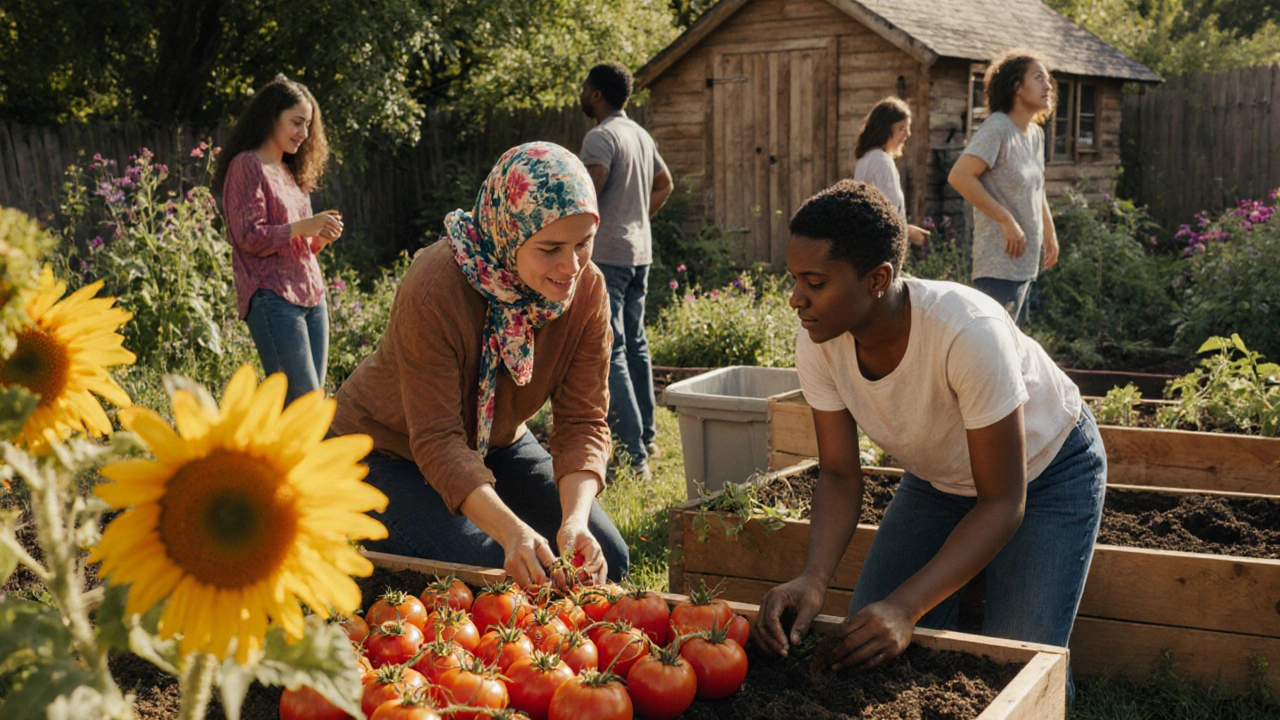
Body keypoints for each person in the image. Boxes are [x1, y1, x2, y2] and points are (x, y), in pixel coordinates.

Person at [756, 180, 1105, 701]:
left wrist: (906, 608)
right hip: (940, 479)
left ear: (878, 279)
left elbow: (1004, 502)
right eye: (794, 280)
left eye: (814, 282)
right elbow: (838, 473)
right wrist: (814, 578)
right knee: (862, 651)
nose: (796, 299)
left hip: (1047, 472)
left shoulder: (967, 333)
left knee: (1013, 677)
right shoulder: (819, 339)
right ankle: (967, 594)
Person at [330, 142, 629, 587]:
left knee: (609, 560)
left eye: (583, 244)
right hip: (384, 450)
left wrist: (575, 521)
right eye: (550, 248)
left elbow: (583, 421)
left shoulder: (586, 292)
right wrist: (511, 533)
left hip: (494, 443)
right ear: (508, 235)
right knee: (493, 569)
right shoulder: (436, 285)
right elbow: (436, 440)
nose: (571, 266)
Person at [213, 74, 343, 404]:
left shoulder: (289, 172)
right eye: (296, 122)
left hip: (312, 296)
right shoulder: (247, 166)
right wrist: (305, 226)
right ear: (271, 117)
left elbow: (300, 247)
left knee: (310, 409)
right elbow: (249, 236)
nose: (303, 133)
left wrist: (320, 238)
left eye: (308, 126)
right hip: (273, 299)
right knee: (304, 406)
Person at [579, 61, 673, 478]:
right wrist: (639, 220)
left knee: (612, 349)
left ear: (597, 94)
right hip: (640, 255)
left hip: (610, 257)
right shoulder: (640, 134)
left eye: (585, 88)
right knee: (635, 345)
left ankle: (633, 458)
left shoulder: (600, 137)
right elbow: (664, 183)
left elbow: (583, 200)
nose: (582, 94)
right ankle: (648, 438)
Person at [947, 50, 1059, 327]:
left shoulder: (1035, 134)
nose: (1048, 86)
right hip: (998, 264)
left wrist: (1050, 232)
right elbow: (960, 177)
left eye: (1048, 80)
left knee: (1015, 347)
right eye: (1038, 78)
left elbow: (1037, 187)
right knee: (996, 350)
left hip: (1026, 261)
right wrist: (1005, 219)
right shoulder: (997, 128)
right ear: (1016, 87)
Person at [853, 97, 929, 247]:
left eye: (908, 127)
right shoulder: (880, 161)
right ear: (884, 129)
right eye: (902, 128)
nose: (908, 134)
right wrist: (909, 233)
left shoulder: (866, 158)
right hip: (882, 249)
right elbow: (885, 218)